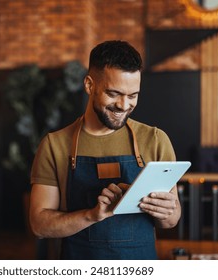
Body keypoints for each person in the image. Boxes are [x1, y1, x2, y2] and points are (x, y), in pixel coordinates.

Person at [29, 40, 181, 260]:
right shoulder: (54, 145)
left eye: (133, 96)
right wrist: (91, 215)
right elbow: (39, 225)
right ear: (90, 85)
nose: (123, 105)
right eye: (113, 93)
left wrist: (166, 211)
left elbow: (170, 220)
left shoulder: (156, 140)